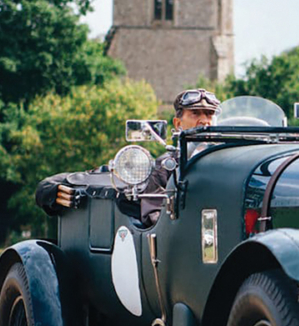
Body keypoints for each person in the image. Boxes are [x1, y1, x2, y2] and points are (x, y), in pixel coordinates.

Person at [36, 88, 220, 225]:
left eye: (209, 114)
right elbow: (152, 214)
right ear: (178, 123)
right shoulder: (168, 164)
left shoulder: (226, 158)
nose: (204, 120)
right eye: (195, 113)